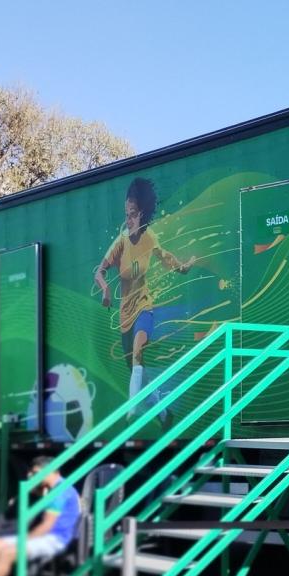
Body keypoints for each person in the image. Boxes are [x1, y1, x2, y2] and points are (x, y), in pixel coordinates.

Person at [93, 177, 196, 421]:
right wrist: (106, 290)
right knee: (136, 369)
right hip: (124, 316)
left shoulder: (149, 238)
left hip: (144, 309)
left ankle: (132, 408)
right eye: (125, 214)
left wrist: (184, 267)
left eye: (132, 214)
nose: (128, 220)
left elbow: (165, 256)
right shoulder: (120, 243)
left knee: (139, 352)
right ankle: (162, 411)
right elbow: (100, 270)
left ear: (142, 215)